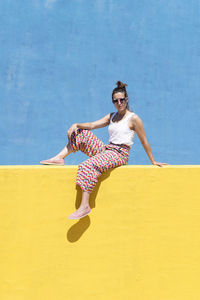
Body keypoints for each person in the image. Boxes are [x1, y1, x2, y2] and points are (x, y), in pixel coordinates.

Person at [40, 81, 168, 220]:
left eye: (122, 100)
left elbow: (144, 141)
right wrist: (76, 124)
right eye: (116, 101)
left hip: (120, 154)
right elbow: (92, 125)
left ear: (127, 100)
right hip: (107, 150)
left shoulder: (134, 118)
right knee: (81, 133)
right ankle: (59, 158)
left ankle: (84, 206)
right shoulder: (112, 116)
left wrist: (153, 161)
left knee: (86, 165)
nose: (119, 103)